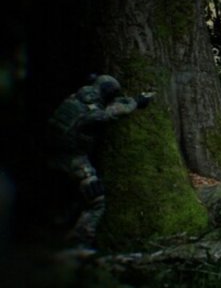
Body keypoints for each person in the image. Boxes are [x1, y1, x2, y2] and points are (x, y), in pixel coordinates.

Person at [47, 74, 154, 247]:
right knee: (96, 200)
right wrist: (136, 102)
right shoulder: (89, 108)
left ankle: (54, 237)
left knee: (71, 199)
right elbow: (107, 115)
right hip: (73, 160)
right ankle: (78, 245)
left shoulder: (75, 99)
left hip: (54, 158)